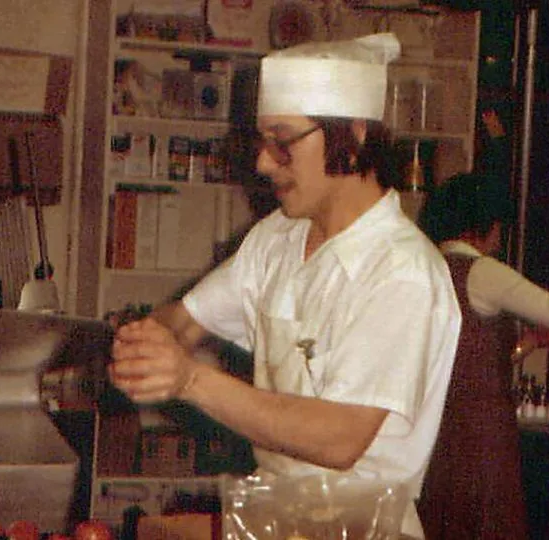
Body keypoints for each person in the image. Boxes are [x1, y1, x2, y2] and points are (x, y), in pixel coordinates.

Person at [108, 33, 461, 539]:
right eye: (261, 143)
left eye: (283, 142)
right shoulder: (277, 240)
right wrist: (141, 345)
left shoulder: (401, 271)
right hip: (277, 517)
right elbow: (184, 321)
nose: (263, 163)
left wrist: (188, 380)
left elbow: (340, 439)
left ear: (355, 135)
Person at [415, 171, 549, 539]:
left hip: (437, 423)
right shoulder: (483, 271)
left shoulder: (429, 268)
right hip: (483, 428)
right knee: (490, 520)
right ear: (487, 224)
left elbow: (461, 355)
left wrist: (526, 344)